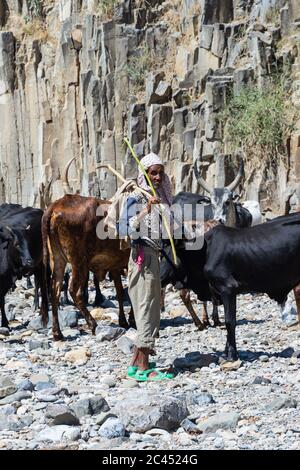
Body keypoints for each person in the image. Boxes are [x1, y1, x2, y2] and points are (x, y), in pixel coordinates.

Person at [119, 152, 175, 381]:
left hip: (154, 256)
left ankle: (135, 363)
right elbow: (125, 229)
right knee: (145, 310)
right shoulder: (137, 196)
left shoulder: (157, 195)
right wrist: (145, 211)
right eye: (153, 172)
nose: (158, 176)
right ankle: (143, 369)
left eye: (161, 172)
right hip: (142, 257)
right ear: (145, 174)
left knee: (152, 309)